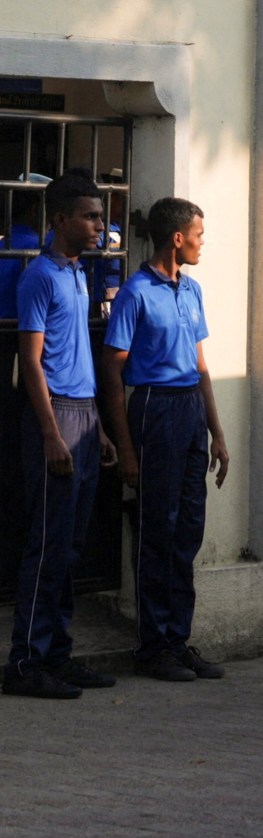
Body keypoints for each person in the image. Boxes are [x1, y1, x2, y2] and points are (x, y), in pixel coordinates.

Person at [99, 196, 230, 682]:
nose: (202, 243)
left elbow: (200, 365)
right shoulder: (135, 293)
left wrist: (217, 433)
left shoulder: (191, 290)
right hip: (155, 408)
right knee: (158, 529)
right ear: (178, 238)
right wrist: (126, 447)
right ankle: (153, 647)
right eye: (198, 235)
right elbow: (112, 371)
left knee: (187, 531)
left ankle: (178, 640)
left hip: (190, 409)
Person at [5, 168, 118, 700]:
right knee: (49, 544)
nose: (99, 225)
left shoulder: (77, 273)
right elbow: (31, 361)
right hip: (55, 418)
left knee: (71, 547)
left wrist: (98, 426)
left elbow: (77, 355)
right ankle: (25, 662)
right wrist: (52, 433)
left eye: (100, 216)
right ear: (60, 219)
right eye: (90, 216)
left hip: (84, 416)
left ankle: (58, 656)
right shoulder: (40, 277)